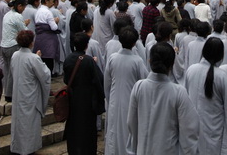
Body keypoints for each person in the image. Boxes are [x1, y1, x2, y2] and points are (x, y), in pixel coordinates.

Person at [127, 42, 199, 154]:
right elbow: (189, 131)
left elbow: (132, 123)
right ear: (172, 64)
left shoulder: (139, 87)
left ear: (149, 61)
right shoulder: (178, 92)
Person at [184, 37, 227, 154]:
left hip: (192, 126)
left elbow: (186, 96)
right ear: (221, 55)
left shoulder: (191, 70)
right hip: (213, 128)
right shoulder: (221, 76)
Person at [104, 27, 148, 155]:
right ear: (135, 43)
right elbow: (144, 82)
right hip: (130, 101)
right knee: (128, 132)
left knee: (114, 130)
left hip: (114, 99)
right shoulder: (137, 61)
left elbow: (106, 83)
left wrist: (109, 98)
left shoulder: (113, 58)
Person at [9, 30, 51, 155]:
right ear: (31, 42)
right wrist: (38, 58)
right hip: (30, 97)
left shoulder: (15, 55)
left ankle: (18, 148)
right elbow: (45, 75)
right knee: (28, 125)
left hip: (19, 94)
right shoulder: (33, 58)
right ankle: (27, 150)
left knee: (19, 123)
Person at [64, 32, 105, 154]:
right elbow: (99, 80)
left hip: (73, 98)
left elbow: (66, 80)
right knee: (87, 129)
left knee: (74, 126)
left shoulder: (69, 59)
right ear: (86, 45)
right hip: (87, 99)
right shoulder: (88, 61)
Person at [0, 0, 30, 102]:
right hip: (12, 46)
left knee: (7, 70)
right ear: (19, 6)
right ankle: (11, 94)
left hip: (3, 45)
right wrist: (26, 25)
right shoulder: (17, 16)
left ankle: (7, 92)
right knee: (13, 71)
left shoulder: (7, 15)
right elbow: (23, 31)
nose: (24, 10)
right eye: (23, 7)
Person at [33, 0, 60, 73]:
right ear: (46, 1)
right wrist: (55, 21)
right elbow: (54, 27)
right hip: (48, 40)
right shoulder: (48, 12)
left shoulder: (38, 11)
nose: (52, 2)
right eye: (51, 0)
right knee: (48, 64)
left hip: (39, 38)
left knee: (40, 60)